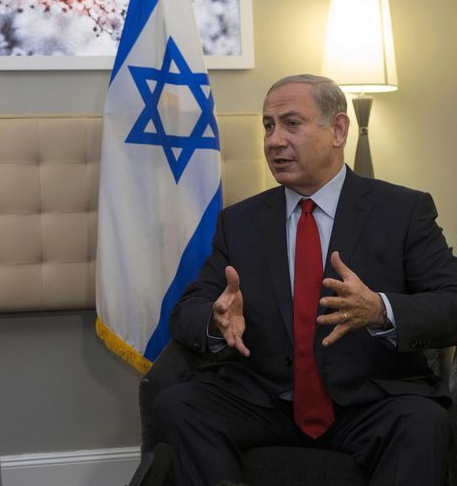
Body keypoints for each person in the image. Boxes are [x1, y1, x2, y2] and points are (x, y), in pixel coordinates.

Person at [153, 74, 457, 485]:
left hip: (370, 402)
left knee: (423, 421)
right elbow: (186, 311)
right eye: (268, 126)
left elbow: (451, 302)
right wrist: (216, 319)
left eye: (291, 124)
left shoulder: (402, 211)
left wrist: (381, 310)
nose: (274, 140)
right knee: (179, 404)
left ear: (338, 130)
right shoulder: (240, 222)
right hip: (265, 401)